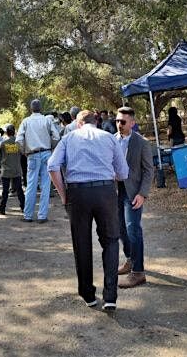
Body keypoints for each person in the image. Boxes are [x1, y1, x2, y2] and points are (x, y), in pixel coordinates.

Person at [48, 110, 128, 311]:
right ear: (97, 122)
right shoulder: (109, 138)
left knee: (81, 242)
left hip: (78, 192)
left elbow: (52, 166)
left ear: (78, 124)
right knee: (110, 241)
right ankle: (110, 296)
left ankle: (88, 294)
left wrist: (64, 194)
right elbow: (123, 172)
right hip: (105, 191)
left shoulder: (68, 138)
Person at [114, 106, 154, 288]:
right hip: (115, 190)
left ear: (132, 123)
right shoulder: (112, 140)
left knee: (133, 229)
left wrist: (142, 194)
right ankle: (130, 259)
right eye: (117, 121)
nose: (119, 124)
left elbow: (148, 171)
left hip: (133, 192)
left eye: (122, 121)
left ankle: (138, 272)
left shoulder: (142, 143)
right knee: (120, 229)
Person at [16, 99, 60, 223]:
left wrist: (24, 151)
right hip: (46, 153)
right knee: (45, 185)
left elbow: (18, 140)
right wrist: (51, 147)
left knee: (31, 185)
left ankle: (28, 215)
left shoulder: (26, 121)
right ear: (41, 108)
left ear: (31, 108)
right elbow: (56, 136)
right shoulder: (47, 120)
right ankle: (42, 216)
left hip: (32, 155)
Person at [0, 124, 25, 215]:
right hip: (16, 169)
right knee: (19, 190)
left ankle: (2, 209)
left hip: (6, 170)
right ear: (14, 132)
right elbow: (23, 153)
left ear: (7, 133)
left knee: (5, 191)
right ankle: (24, 207)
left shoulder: (3, 143)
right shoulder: (18, 143)